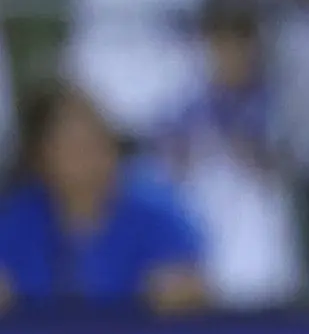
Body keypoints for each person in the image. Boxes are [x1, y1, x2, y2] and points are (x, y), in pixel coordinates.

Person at [0, 85, 207, 316]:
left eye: (99, 142)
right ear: (41, 158)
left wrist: (184, 294)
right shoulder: (17, 221)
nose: (91, 158)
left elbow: (194, 286)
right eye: (73, 147)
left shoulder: (157, 216)